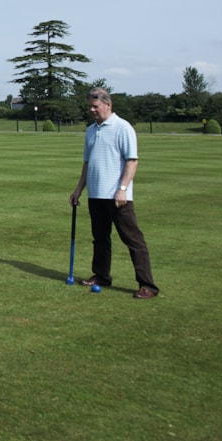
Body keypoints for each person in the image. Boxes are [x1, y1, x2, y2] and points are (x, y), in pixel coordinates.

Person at [69, 88, 159, 299]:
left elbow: (132, 161)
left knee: (133, 240)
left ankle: (148, 285)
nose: (92, 110)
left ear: (108, 105)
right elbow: (87, 163)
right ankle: (101, 275)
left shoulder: (122, 127)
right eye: (90, 106)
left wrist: (123, 189)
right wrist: (78, 190)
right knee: (100, 239)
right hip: (96, 194)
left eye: (95, 106)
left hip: (118, 196)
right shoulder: (91, 130)